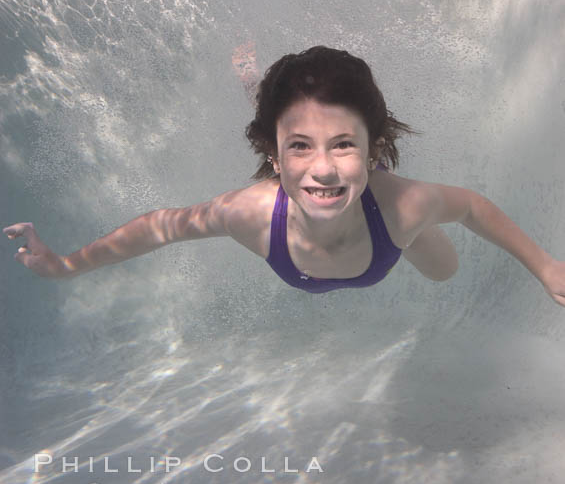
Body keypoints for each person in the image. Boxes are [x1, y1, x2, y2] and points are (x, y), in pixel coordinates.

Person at [4, 46, 565, 305]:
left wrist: (546, 268)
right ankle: (258, 89)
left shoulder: (404, 208)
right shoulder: (250, 214)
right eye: (299, 148)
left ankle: (300, 122)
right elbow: (160, 226)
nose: (322, 168)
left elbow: (469, 208)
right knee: (274, 117)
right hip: (310, 183)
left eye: (344, 145)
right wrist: (67, 265)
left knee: (445, 272)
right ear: (274, 160)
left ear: (374, 152)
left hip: (386, 229)